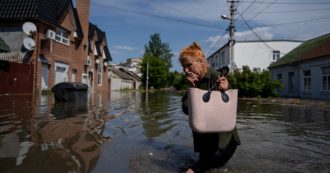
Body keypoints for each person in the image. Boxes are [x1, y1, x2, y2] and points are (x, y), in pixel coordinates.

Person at [179, 42, 241, 173]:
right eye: (183, 67)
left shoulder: (215, 77)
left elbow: (233, 109)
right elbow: (186, 110)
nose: (185, 70)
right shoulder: (193, 81)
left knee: (194, 170)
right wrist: (191, 88)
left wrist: (226, 89)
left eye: (189, 65)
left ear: (201, 62)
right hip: (205, 143)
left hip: (224, 143)